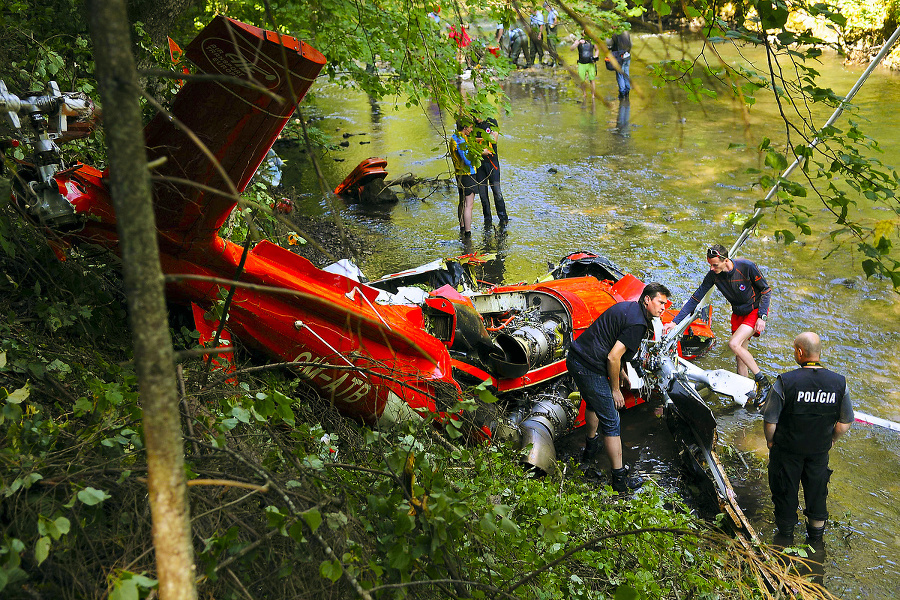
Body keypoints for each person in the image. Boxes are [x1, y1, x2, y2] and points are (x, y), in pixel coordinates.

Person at [566, 282, 671, 493]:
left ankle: (590, 448)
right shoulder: (638, 324)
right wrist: (615, 389)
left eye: (666, 304)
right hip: (589, 365)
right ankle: (619, 480)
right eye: (660, 302)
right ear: (647, 299)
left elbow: (612, 341)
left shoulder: (631, 308)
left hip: (577, 356)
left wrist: (622, 372)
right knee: (612, 420)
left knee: (595, 404)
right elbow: (613, 356)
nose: (663, 308)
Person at [762, 332, 853, 542]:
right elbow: (845, 422)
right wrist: (831, 440)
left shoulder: (785, 381)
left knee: (785, 494)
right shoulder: (839, 383)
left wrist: (770, 441)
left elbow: (770, 420)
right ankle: (816, 544)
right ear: (819, 352)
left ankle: (785, 540)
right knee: (817, 495)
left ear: (800, 352)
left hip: (787, 451)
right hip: (818, 452)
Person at [663, 244, 773, 402]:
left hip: (755, 311)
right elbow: (696, 298)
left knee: (734, 344)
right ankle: (748, 393)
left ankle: (762, 381)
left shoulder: (747, 267)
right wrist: (675, 322)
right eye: (710, 265)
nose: (712, 268)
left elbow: (766, 291)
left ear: (726, 260)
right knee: (740, 356)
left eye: (715, 265)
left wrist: (762, 316)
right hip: (738, 314)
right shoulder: (713, 275)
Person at [474, 117, 508, 227]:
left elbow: (494, 140)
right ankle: (487, 220)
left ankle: (503, 219)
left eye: (478, 115)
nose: (476, 118)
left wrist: (479, 147)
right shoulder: (472, 126)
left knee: (497, 192)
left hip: (492, 163)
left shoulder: (491, 122)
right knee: (483, 195)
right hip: (479, 165)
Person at [449, 116, 477, 237]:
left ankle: (462, 226)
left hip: (459, 174)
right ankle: (468, 232)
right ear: (464, 127)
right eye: (470, 127)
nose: (471, 130)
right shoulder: (460, 140)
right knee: (468, 205)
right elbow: (467, 160)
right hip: (467, 175)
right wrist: (479, 154)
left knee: (462, 201)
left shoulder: (454, 137)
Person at [571, 34, 598, 104]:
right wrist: (577, 43)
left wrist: (596, 56)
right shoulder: (578, 40)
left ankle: (593, 95)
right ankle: (584, 94)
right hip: (581, 63)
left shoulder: (592, 40)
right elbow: (571, 49)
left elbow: (597, 50)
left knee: (592, 79)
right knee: (581, 80)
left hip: (590, 63)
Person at [607, 30, 631, 99]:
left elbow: (609, 45)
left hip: (619, 57)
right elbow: (631, 44)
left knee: (620, 75)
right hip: (627, 56)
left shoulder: (615, 34)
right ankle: (627, 91)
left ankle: (622, 93)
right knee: (626, 74)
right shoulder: (626, 32)